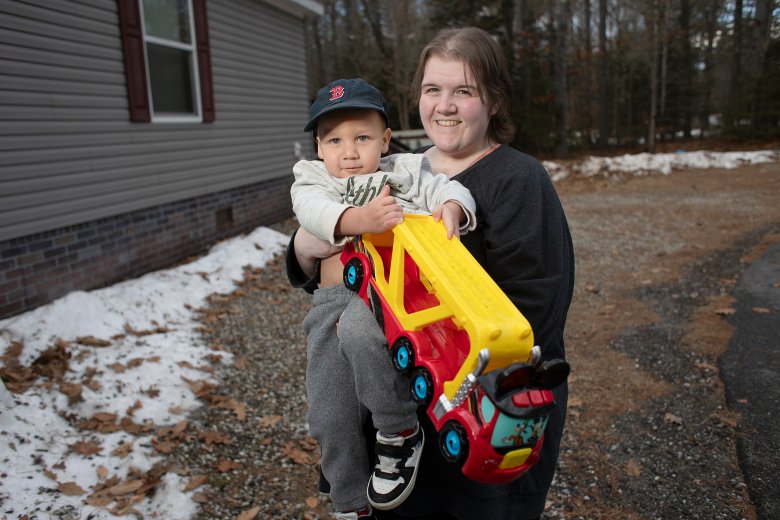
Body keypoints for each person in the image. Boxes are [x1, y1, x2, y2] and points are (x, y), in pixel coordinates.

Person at [286, 27, 574, 520]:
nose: (445, 105)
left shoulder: (516, 179)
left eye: (464, 90)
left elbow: (537, 308)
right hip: (385, 417)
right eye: (432, 89)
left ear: (494, 100)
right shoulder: (394, 165)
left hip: (470, 408)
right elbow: (335, 266)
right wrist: (304, 248)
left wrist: (419, 347)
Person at [291, 78, 477, 520]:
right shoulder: (313, 179)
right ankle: (349, 502)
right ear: (319, 147)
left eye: (361, 137)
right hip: (333, 297)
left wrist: (452, 206)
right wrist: (357, 218)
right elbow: (312, 213)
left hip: (385, 294)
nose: (349, 152)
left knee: (361, 334)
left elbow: (448, 188)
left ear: (385, 139)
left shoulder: (404, 172)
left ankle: (398, 432)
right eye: (334, 140)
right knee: (328, 412)